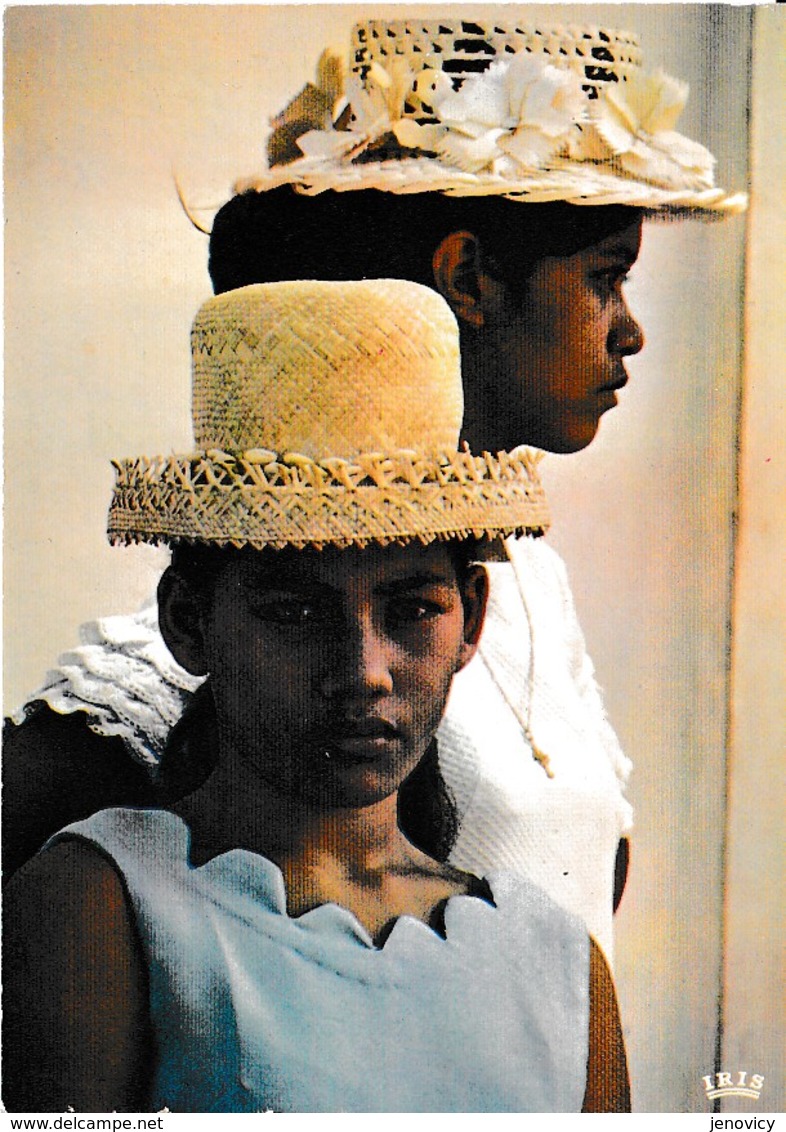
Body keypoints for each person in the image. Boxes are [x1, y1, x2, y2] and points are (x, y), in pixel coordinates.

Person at [3, 18, 746, 961]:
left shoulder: (529, 579)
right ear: (472, 277)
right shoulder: (268, 605)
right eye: (606, 278)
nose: (629, 331)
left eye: (419, 606)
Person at [2, 279, 629, 1113]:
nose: (364, 668)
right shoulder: (105, 904)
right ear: (188, 623)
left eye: (410, 610)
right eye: (294, 613)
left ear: (471, 616)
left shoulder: (556, 961)